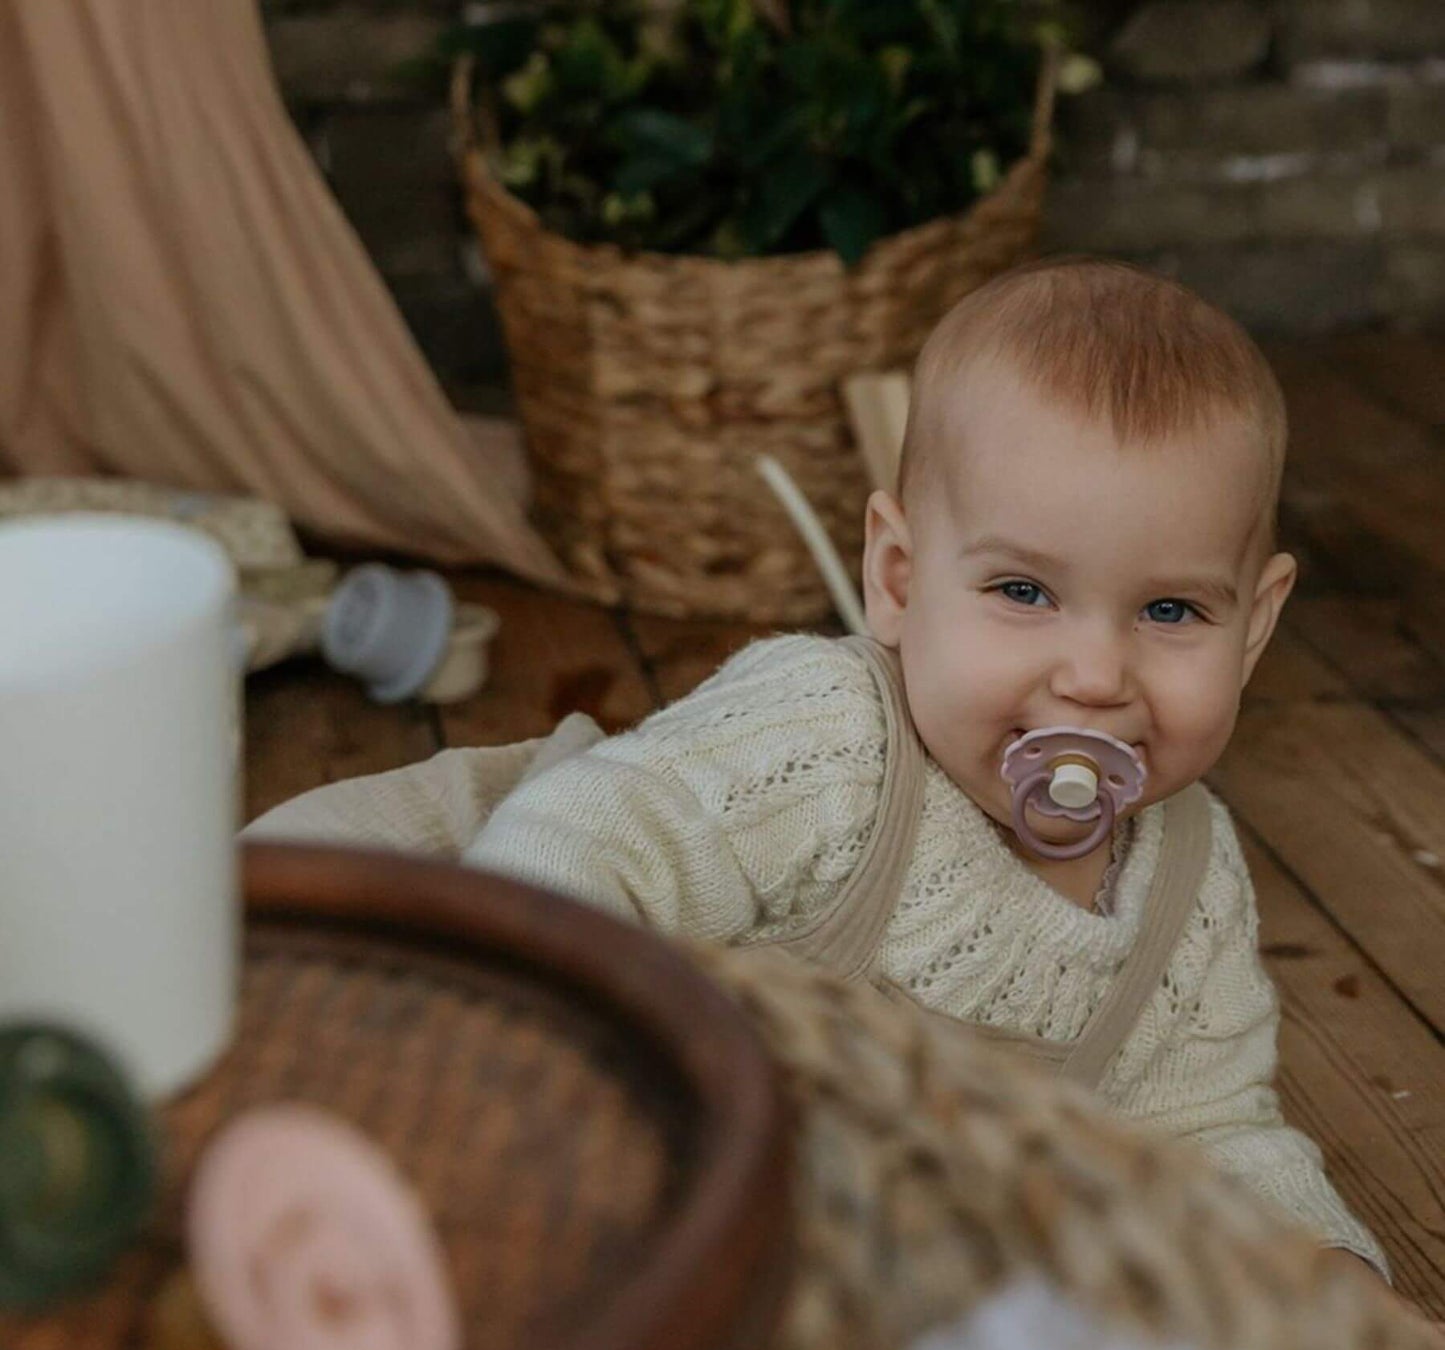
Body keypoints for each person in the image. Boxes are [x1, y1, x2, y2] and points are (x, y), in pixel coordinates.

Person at [463, 256, 1386, 1275]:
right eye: (1022, 590)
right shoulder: (831, 738)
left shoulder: (1190, 882)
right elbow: (590, 838)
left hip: (882, 1288)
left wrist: (1323, 1282)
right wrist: (532, 1076)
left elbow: (1212, 1134)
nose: (1091, 676)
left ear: (1251, 628)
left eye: (1168, 610)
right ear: (897, 578)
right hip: (661, 1204)